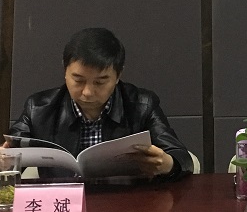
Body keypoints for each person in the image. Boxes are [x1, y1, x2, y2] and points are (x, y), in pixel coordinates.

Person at [3, 27, 193, 180]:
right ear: (65, 70)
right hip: (63, 205)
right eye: (78, 80)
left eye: (100, 82)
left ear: (118, 75)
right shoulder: (38, 108)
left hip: (127, 206)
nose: (87, 92)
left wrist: (169, 164)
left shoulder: (142, 105)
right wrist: (5, 161)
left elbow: (181, 157)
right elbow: (11, 153)